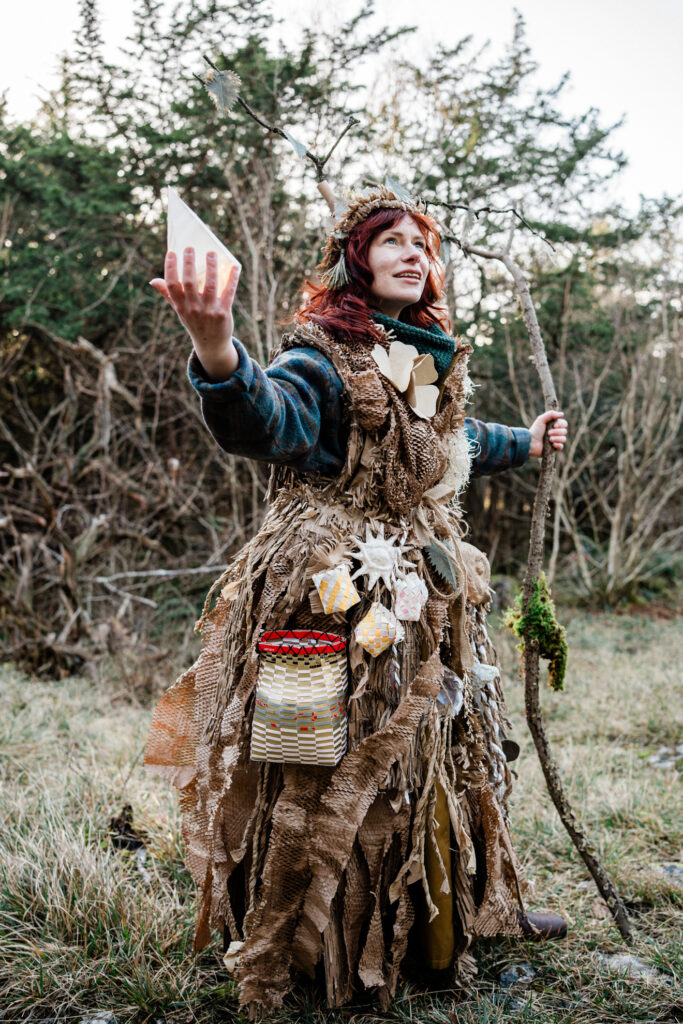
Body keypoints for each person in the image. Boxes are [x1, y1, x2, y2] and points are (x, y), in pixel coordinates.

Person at [144, 185, 569, 1012]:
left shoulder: (429, 358)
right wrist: (218, 350)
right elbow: (265, 421)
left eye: (425, 245)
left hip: (418, 602)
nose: (415, 254)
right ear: (354, 261)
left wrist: (531, 438)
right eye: (392, 243)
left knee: (426, 754)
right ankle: (296, 946)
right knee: (309, 760)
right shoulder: (321, 358)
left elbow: (458, 444)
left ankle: (437, 924)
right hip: (321, 600)